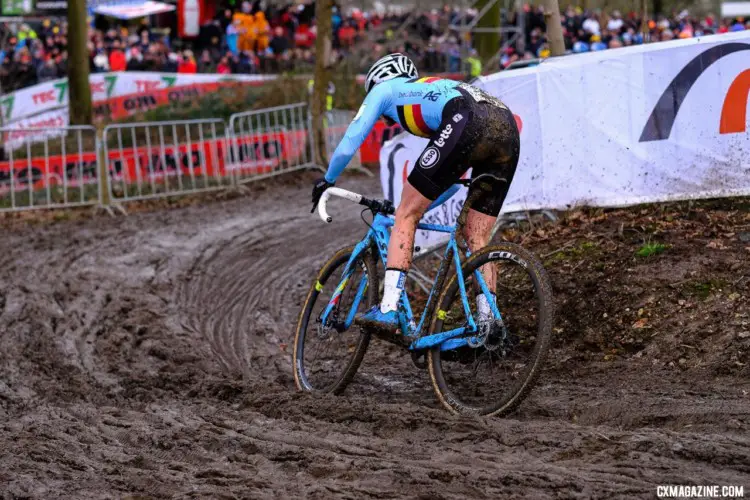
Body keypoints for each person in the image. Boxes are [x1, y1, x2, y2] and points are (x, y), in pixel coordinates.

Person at [310, 53, 520, 329]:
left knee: (406, 216)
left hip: (467, 117)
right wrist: (416, 207)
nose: (387, 121)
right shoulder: (429, 90)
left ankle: (388, 309)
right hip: (505, 126)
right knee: (476, 235)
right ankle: (487, 320)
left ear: (376, 81)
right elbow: (448, 181)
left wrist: (327, 179)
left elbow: (351, 140)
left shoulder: (385, 90)